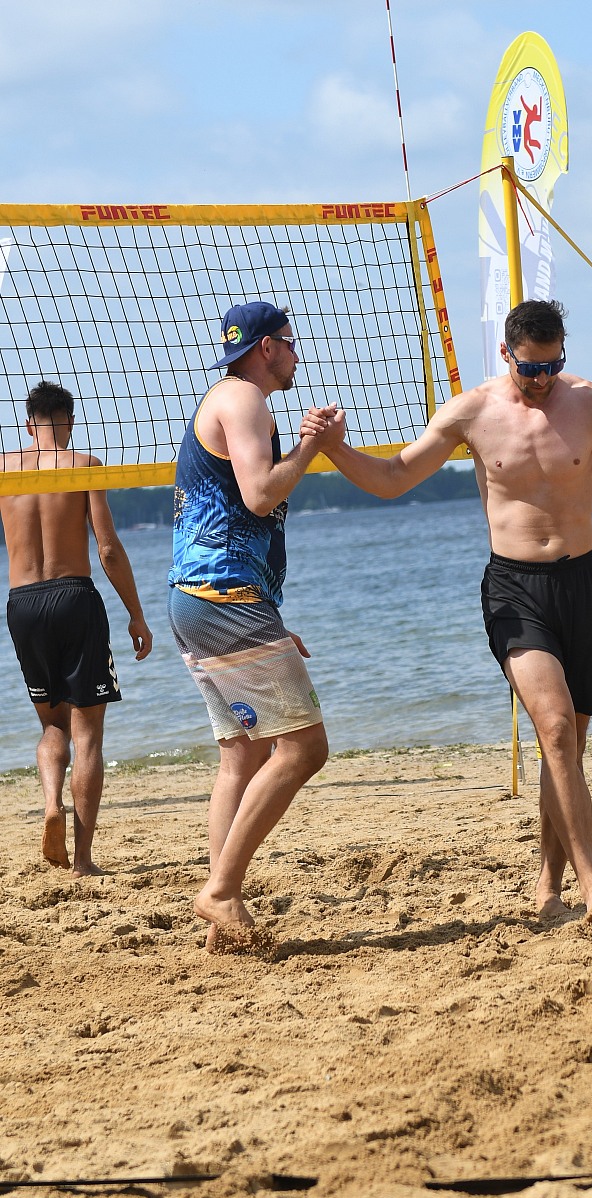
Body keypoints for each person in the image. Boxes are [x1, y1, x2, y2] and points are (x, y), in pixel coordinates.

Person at [301, 298, 592, 925]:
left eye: (552, 366)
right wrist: (333, 449)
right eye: (530, 368)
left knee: (568, 747)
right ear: (506, 354)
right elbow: (393, 478)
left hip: (583, 584)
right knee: (555, 729)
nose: (542, 380)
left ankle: (548, 888)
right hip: (514, 587)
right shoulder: (473, 411)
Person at [168, 300, 339, 952]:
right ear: (266, 347)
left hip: (202, 600)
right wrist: (310, 447)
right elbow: (261, 495)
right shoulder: (244, 399)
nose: (296, 355)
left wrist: (267, 617)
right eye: (290, 343)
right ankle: (220, 891)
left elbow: (240, 507)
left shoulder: (230, 399)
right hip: (223, 598)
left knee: (241, 756)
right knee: (304, 748)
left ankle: (223, 915)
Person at [0, 380, 153, 876]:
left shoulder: (4, 469)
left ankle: (51, 804)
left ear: (29, 424)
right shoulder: (84, 465)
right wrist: (136, 613)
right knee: (88, 735)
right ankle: (83, 860)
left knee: (52, 726)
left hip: (22, 603)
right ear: (70, 420)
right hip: (74, 597)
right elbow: (107, 548)